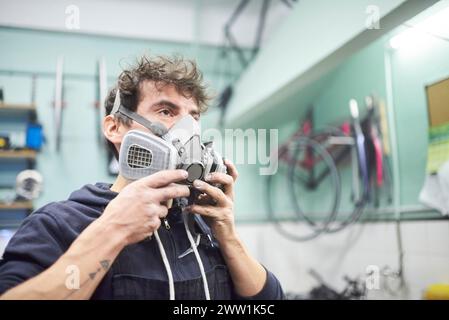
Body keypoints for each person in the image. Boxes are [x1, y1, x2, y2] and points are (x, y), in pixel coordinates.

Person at [0, 55, 284, 300]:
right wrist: (113, 230)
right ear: (114, 128)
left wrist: (227, 234)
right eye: (166, 111)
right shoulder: (59, 224)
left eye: (194, 116)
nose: (187, 129)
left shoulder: (202, 221)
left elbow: (268, 300)